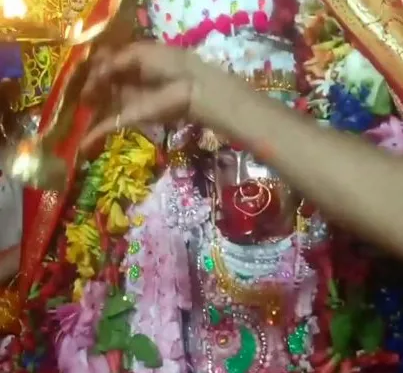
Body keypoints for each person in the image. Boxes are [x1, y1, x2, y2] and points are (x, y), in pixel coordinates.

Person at [82, 40, 403, 259]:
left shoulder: (318, 245)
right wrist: (208, 93)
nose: (241, 176)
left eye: (256, 160)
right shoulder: (170, 231)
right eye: (223, 162)